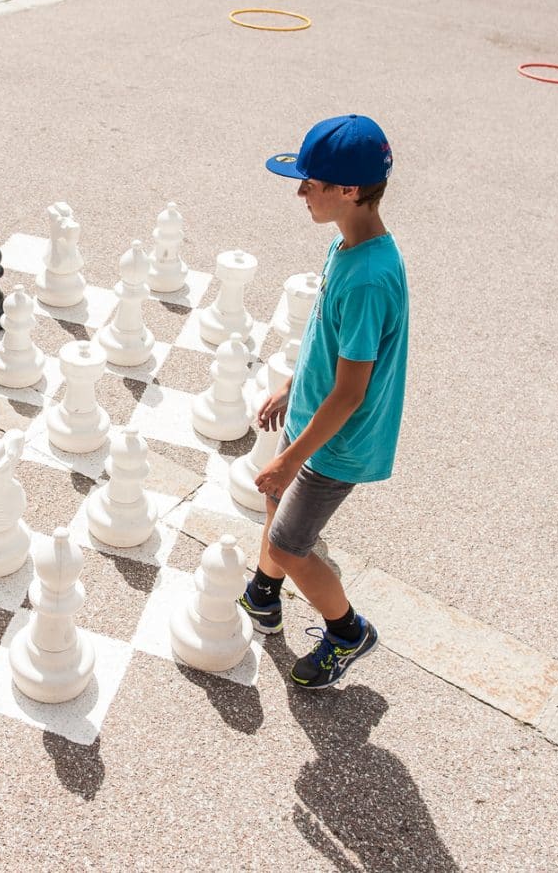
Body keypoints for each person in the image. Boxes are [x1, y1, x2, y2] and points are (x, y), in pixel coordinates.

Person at [240, 114, 408, 690]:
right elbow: (327, 345)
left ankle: (346, 630)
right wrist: (291, 387)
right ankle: (265, 589)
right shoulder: (350, 245)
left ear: (351, 190)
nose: (300, 190)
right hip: (314, 416)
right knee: (275, 508)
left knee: (290, 543)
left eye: (311, 182)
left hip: (338, 442)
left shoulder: (367, 279)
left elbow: (352, 391)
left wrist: (291, 458)